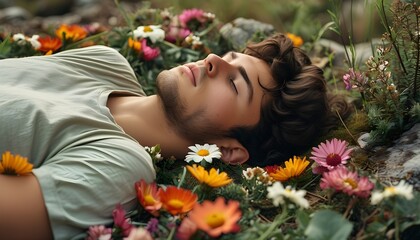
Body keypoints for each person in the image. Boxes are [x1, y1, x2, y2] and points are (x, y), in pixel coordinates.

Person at [0, 33, 346, 239]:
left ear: (229, 151)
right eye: (226, 57)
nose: (211, 60)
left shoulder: (121, 166)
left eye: (233, 82)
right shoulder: (107, 63)